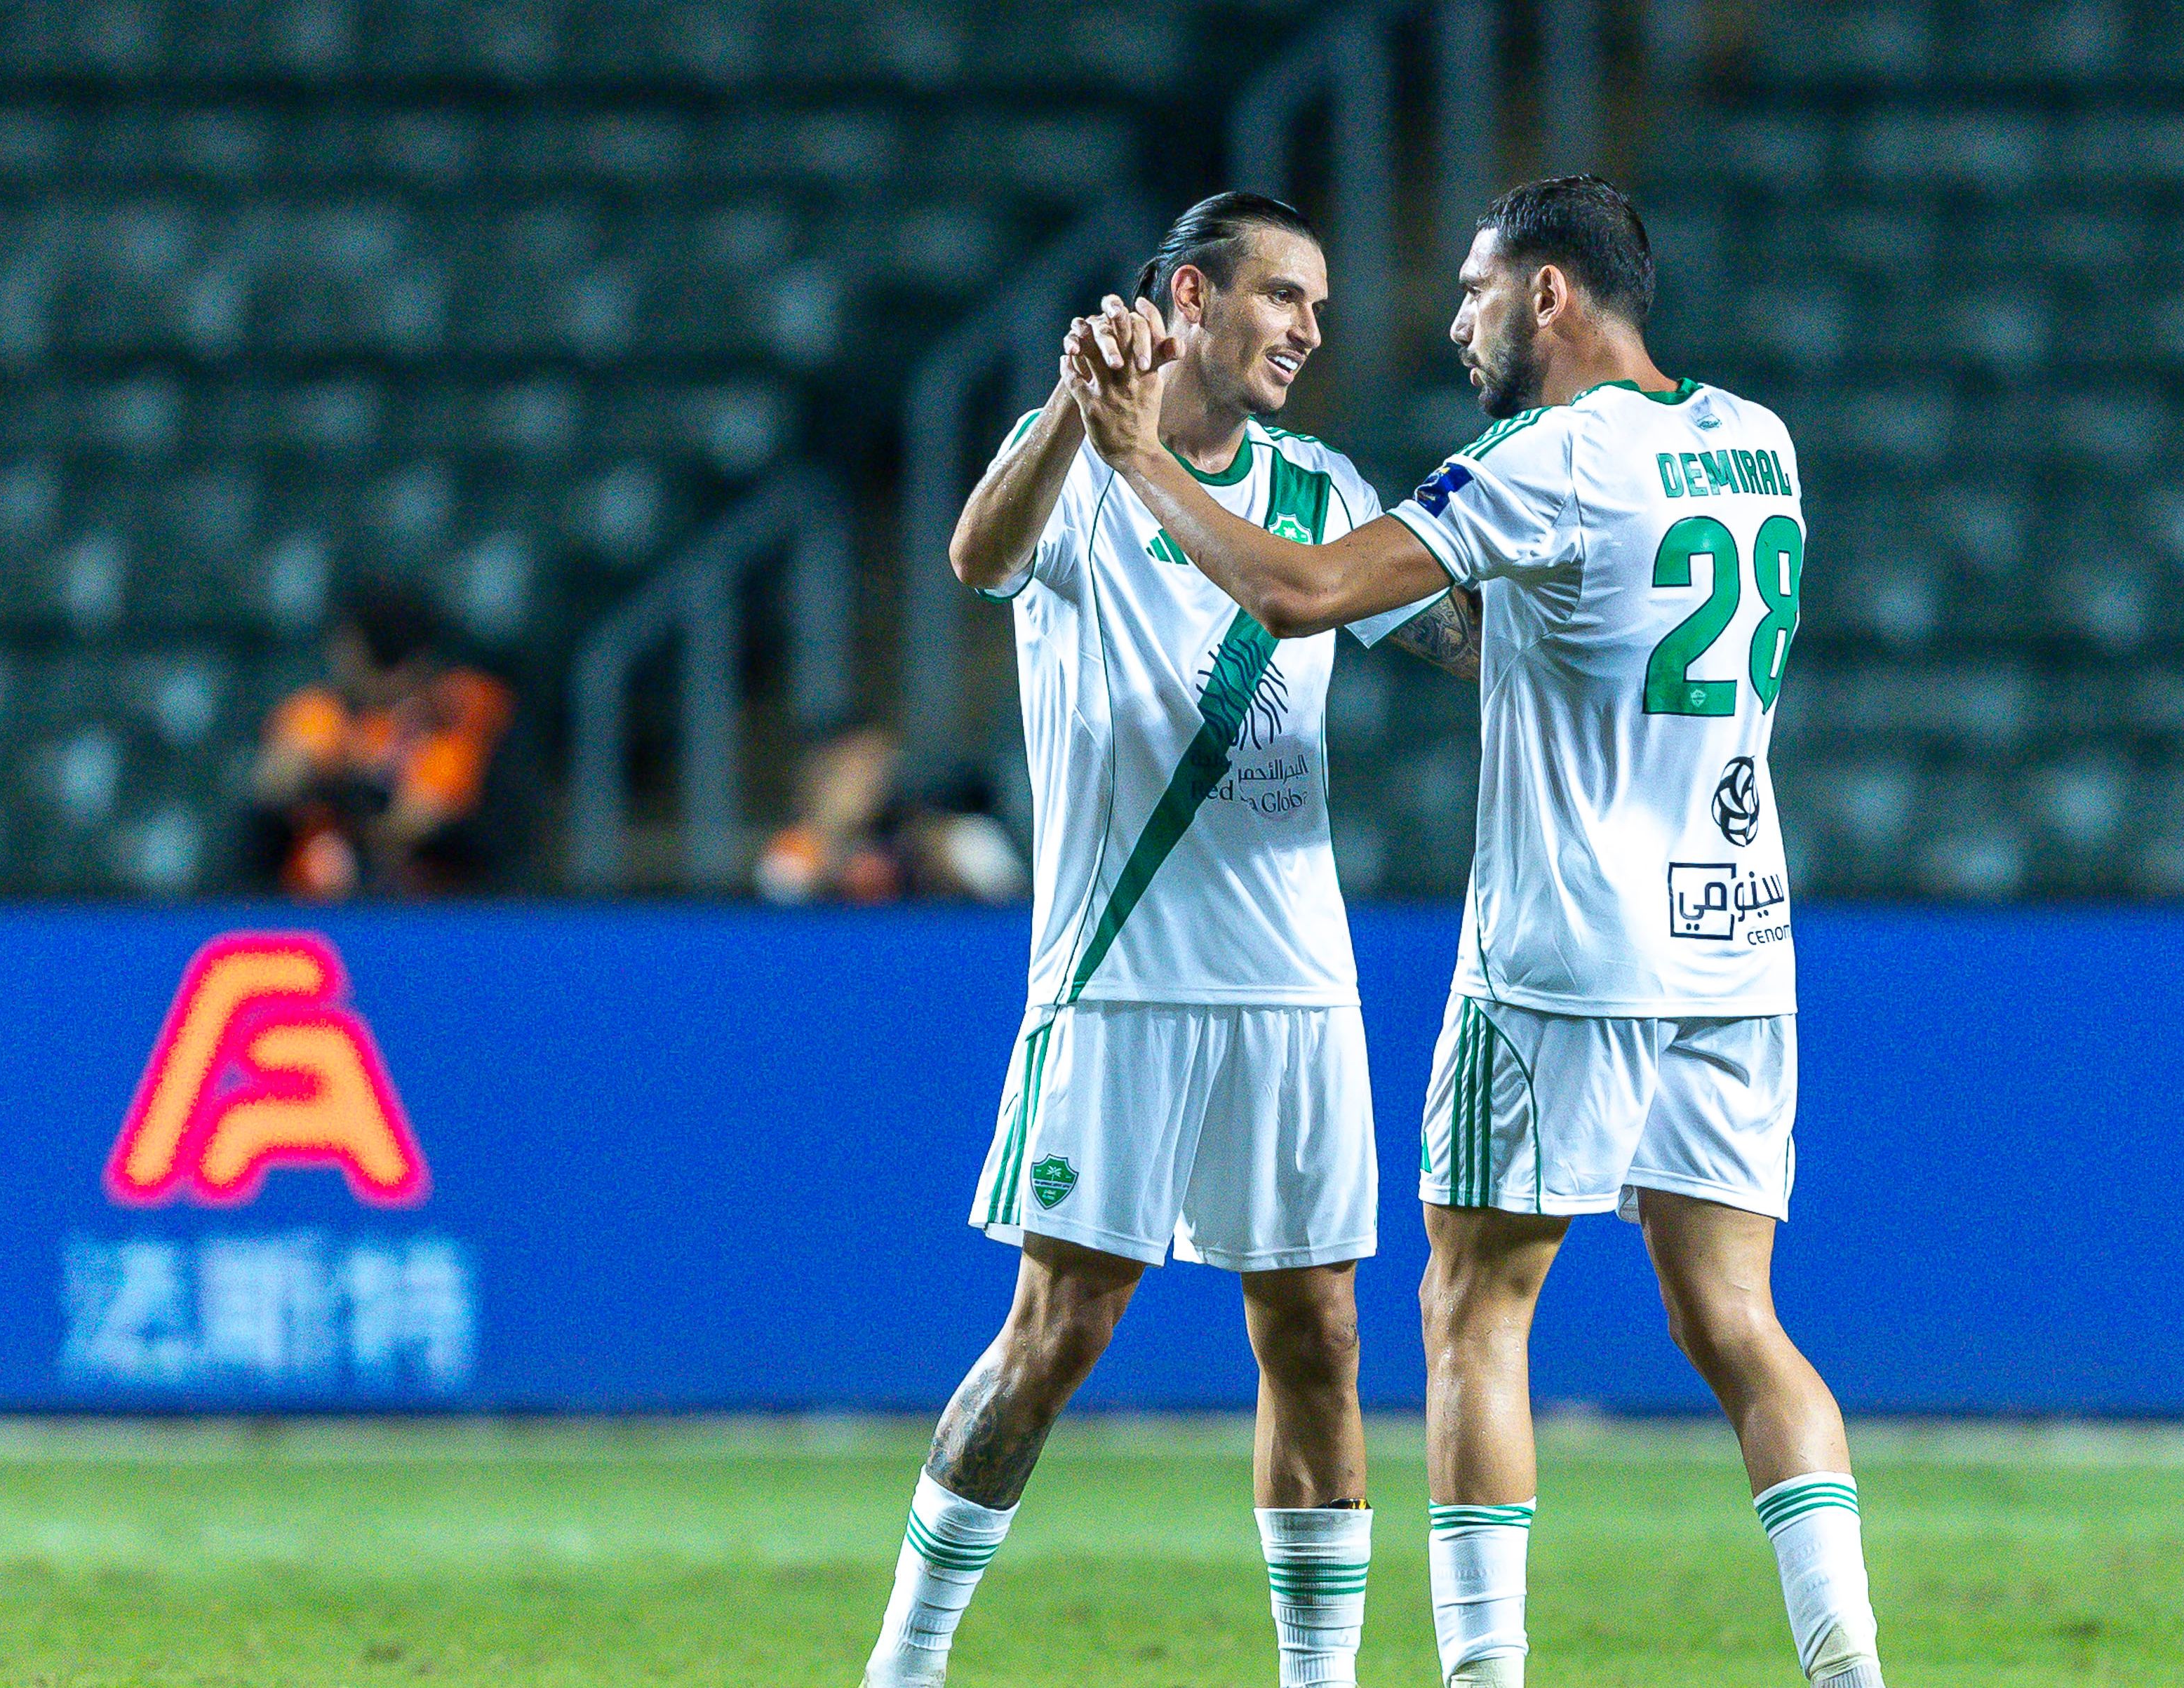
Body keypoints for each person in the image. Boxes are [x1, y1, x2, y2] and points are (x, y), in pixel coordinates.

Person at [1064, 177, 1885, 1688]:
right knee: (1738, 1322)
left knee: (1471, 1308)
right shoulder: (1758, 444)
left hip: (1565, 955)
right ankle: (1851, 1668)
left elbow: (1300, 588)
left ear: (1551, 296)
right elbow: (1545, 630)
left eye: (1475, 290)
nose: (1455, 321)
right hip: (1739, 943)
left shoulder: (1546, 454)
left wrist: (1137, 463)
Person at [857, 192, 1478, 1688]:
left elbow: (1455, 635)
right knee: (1060, 1330)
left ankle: (1318, 1678)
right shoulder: (1071, 457)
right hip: (1121, 975)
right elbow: (974, 555)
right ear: (1191, 300)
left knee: (1319, 1333)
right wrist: (1080, 415)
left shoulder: (1320, 490)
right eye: (1284, 297)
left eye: (1321, 306)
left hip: (1295, 988)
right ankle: (907, 1659)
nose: (1311, 330)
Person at [248, 587, 514, 898]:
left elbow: (416, 821)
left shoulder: (456, 714)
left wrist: (354, 793)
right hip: (313, 908)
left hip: (431, 911)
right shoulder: (323, 713)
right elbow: (274, 783)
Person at [755, 719, 1026, 905]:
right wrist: (837, 847)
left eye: (877, 765)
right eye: (851, 771)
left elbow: (1014, 911)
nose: (870, 782)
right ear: (818, 780)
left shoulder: (956, 837)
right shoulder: (793, 850)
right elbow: (782, 909)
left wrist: (941, 866)